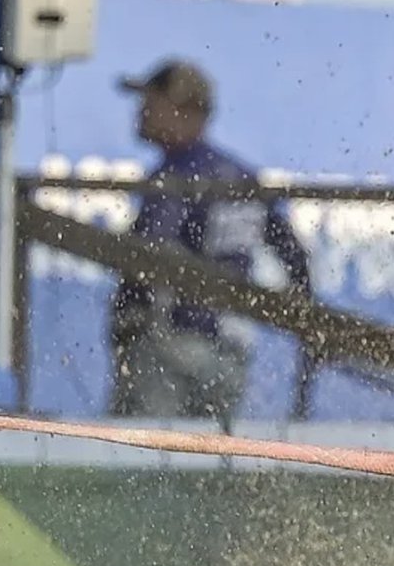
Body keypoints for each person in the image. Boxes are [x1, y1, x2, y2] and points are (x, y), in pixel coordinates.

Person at [109, 59, 312, 430]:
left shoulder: (175, 177)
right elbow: (295, 258)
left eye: (151, 102)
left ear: (182, 110)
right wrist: (302, 311)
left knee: (141, 465)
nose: (141, 113)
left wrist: (127, 311)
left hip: (167, 346)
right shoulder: (243, 176)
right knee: (204, 471)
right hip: (230, 352)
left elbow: (149, 253)